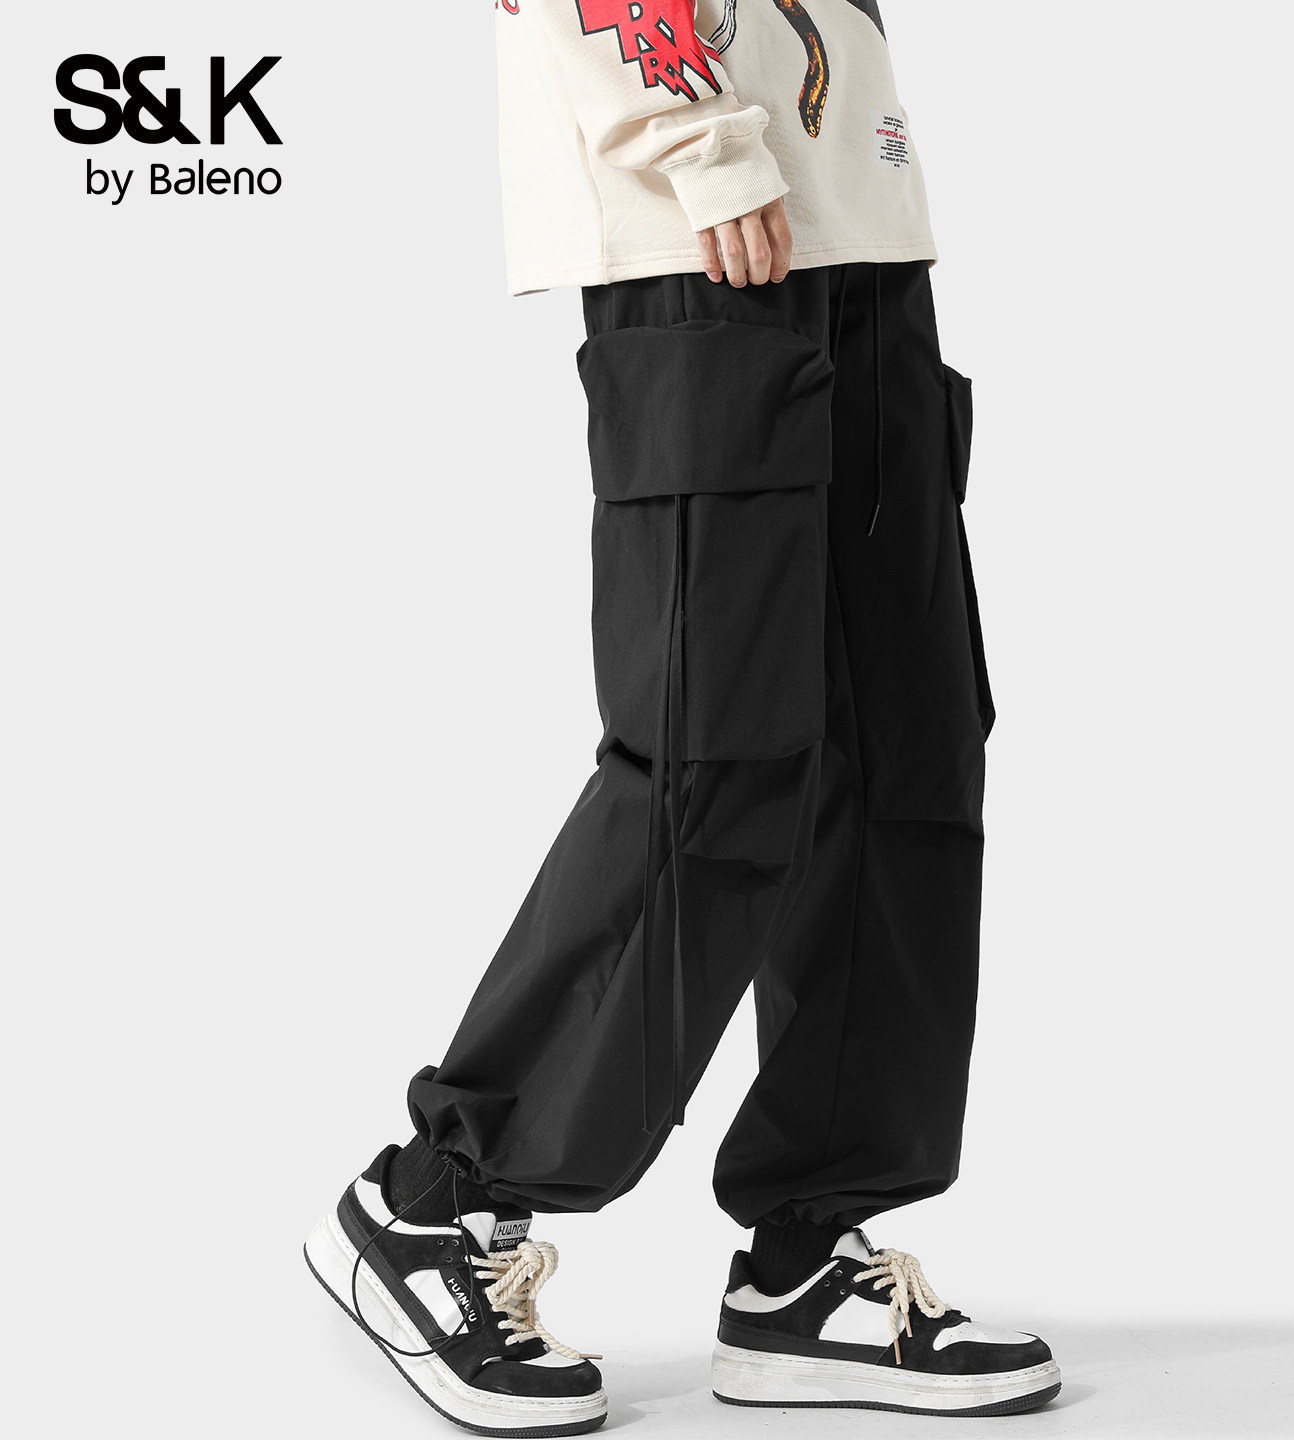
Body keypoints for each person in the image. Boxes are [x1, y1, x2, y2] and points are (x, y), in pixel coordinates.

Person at [303, 2, 1059, 1432]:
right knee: (713, 760)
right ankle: (435, 1197)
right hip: (704, 237)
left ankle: (803, 1258)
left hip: (861, 229)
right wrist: (699, 146)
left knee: (906, 755)